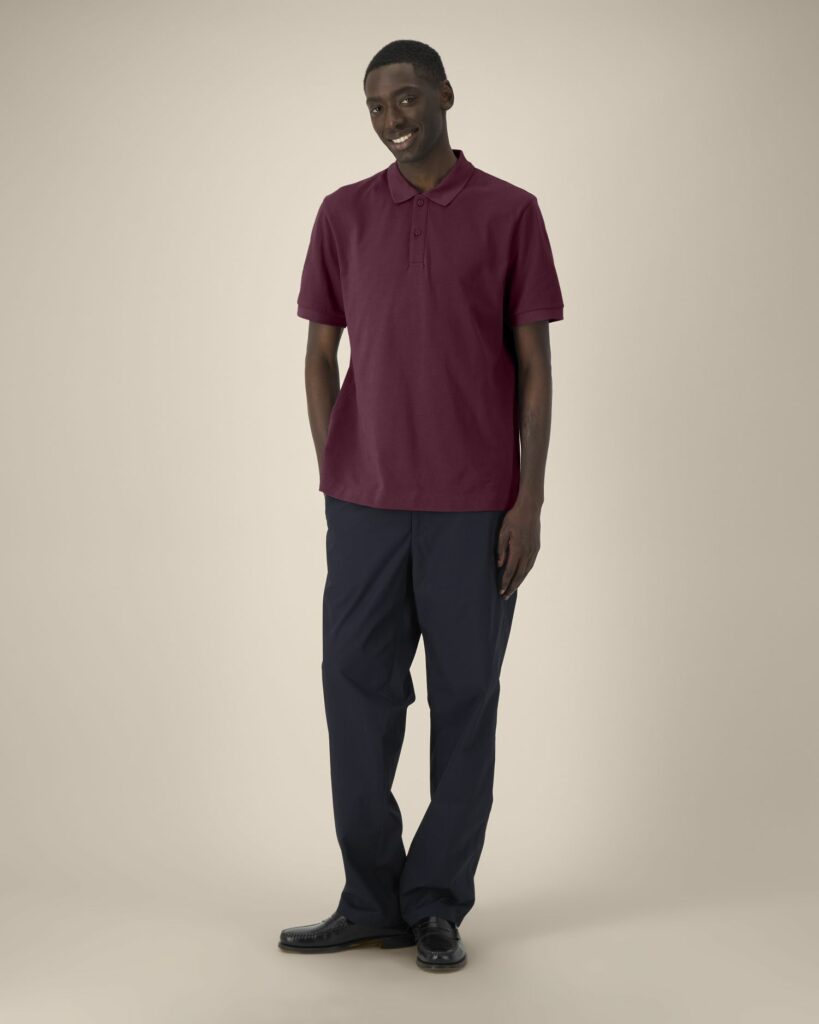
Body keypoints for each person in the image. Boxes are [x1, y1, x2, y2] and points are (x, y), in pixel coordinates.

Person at [279, 38, 564, 972]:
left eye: (405, 98)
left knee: (465, 701)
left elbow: (533, 367)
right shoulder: (342, 214)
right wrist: (336, 468)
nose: (391, 118)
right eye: (375, 105)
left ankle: (436, 902)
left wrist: (527, 500)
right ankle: (370, 901)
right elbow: (318, 355)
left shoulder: (510, 212)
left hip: (475, 509)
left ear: (443, 93)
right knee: (354, 691)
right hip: (363, 507)